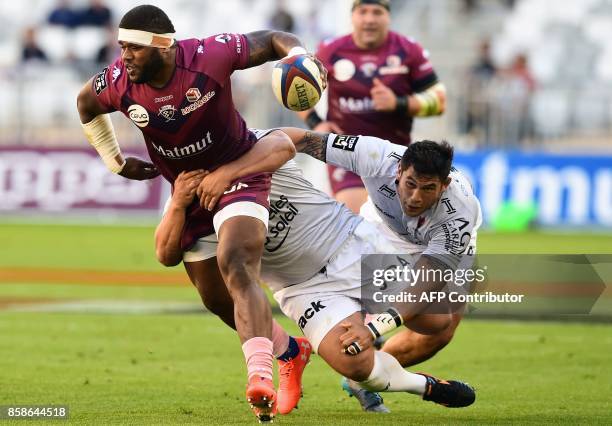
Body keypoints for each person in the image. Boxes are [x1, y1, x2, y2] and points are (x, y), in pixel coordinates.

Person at [75, 5, 327, 422]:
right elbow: (85, 104)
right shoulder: (118, 83)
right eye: (121, 47)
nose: (124, 57)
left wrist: (299, 55)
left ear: (163, 47)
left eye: (134, 48)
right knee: (214, 298)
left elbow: (270, 40)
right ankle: (290, 351)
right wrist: (115, 161)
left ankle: (260, 376)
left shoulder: (209, 56)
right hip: (187, 191)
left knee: (236, 263)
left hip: (240, 172)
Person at [156, 130, 477, 419]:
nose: (416, 197)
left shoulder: (458, 214)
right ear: (398, 172)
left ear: (444, 185)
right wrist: (178, 203)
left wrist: (376, 327)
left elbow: (426, 281)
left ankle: (364, 323)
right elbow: (301, 139)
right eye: (410, 184)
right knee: (356, 365)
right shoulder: (380, 156)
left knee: (436, 322)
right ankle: (422, 386)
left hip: (351, 246)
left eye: (428, 188)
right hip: (303, 286)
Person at [297, 0, 447, 213]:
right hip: (347, 153)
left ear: (388, 17)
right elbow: (297, 90)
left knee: (400, 232)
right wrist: (316, 123)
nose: (369, 19)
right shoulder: (330, 50)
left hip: (396, 157)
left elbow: (439, 102)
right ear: (353, 17)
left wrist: (399, 103)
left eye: (377, 12)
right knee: (359, 222)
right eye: (363, 12)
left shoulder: (408, 50)